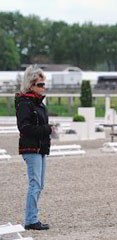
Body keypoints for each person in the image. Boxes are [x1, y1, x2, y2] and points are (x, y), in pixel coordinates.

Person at [15, 65, 55, 230]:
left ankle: (32, 217)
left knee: (40, 184)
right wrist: (47, 129)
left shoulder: (39, 103)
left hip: (41, 148)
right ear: (30, 85)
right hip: (30, 148)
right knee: (35, 184)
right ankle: (31, 220)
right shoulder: (25, 103)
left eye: (43, 84)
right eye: (40, 84)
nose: (43, 87)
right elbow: (24, 127)